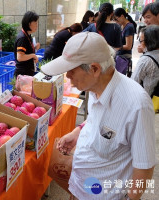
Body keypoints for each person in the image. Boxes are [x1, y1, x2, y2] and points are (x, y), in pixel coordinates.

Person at [41, 32, 156, 200]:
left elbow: (144, 167)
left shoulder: (136, 105)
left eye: (71, 71)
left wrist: (131, 197)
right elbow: (95, 119)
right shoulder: (95, 89)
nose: (68, 77)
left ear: (94, 69)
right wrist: (77, 132)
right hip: (80, 185)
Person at [131, 25, 159, 96]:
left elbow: (133, 82)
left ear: (149, 41)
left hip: (148, 100)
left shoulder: (146, 60)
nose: (140, 44)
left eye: (141, 41)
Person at [14, 11, 40, 77]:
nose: (37, 25)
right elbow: (20, 57)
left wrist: (34, 48)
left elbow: (26, 51)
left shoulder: (27, 35)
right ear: (29, 24)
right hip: (23, 74)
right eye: (35, 23)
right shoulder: (22, 38)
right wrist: (33, 55)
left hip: (26, 72)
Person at [114, 7, 137, 77]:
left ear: (122, 16)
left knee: (118, 78)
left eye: (116, 19)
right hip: (119, 56)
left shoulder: (129, 27)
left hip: (123, 58)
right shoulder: (122, 26)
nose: (116, 22)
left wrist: (117, 47)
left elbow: (128, 46)